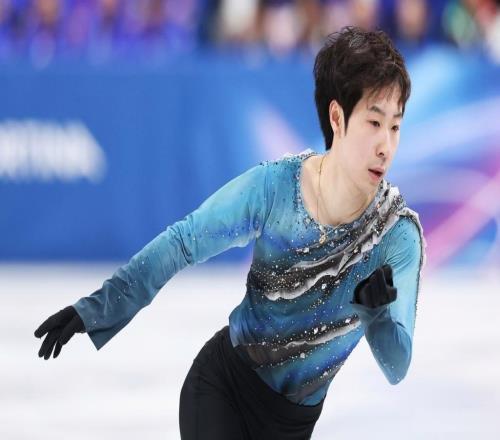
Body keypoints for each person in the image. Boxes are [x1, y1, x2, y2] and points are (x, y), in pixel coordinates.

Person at [34, 26, 427, 440]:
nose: (386, 146)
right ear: (337, 118)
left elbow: (397, 366)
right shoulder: (276, 188)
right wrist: (99, 308)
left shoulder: (396, 236)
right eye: (374, 122)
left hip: (291, 428)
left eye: (395, 127)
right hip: (223, 391)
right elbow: (184, 242)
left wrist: (376, 314)